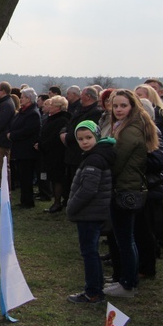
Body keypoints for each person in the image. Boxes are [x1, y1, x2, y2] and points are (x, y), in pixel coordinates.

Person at [103, 89, 158, 298]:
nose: (118, 109)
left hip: (126, 189)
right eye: (115, 106)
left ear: (132, 106)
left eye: (123, 106)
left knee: (125, 239)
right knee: (124, 238)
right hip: (126, 186)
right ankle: (125, 278)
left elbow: (118, 161)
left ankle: (128, 283)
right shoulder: (124, 126)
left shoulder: (130, 131)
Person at [66, 121, 116, 304]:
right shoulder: (94, 155)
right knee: (90, 251)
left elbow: (88, 189)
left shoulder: (94, 159)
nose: (84, 142)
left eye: (88, 138)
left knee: (89, 252)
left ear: (97, 136)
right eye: (80, 139)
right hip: (93, 211)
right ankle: (96, 286)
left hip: (90, 212)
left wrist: (71, 206)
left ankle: (93, 291)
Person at [8, 87, 41, 208]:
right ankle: (24, 200)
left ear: (29, 99)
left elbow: (28, 130)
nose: (20, 99)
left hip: (27, 150)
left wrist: (13, 134)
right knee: (22, 176)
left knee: (26, 177)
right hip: (19, 148)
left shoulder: (33, 113)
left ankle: (28, 201)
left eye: (22, 97)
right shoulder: (23, 111)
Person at [37, 96, 71, 213]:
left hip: (57, 154)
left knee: (57, 179)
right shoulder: (52, 118)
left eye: (52, 105)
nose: (49, 107)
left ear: (59, 107)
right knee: (53, 178)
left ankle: (57, 202)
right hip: (49, 153)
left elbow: (54, 137)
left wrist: (42, 145)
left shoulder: (61, 120)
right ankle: (56, 201)